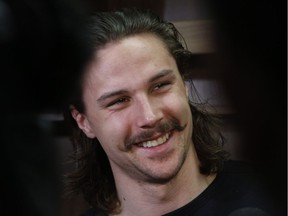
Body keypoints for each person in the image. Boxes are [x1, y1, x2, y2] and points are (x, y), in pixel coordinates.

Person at [64, 8, 278, 216]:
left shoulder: (274, 195)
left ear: (184, 84)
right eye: (119, 101)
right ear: (83, 121)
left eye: (160, 86)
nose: (149, 117)